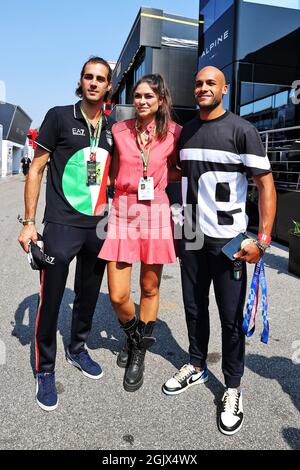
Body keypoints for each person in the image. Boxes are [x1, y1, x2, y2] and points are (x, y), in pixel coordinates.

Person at [162, 66, 276, 435]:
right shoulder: (188, 131)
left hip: (230, 240)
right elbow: (181, 174)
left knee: (230, 318)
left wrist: (262, 240)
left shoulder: (243, 130)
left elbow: (266, 186)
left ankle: (233, 387)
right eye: (198, 83)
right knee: (194, 308)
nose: (202, 88)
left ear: (224, 89)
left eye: (211, 82)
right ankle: (196, 366)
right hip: (193, 233)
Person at [18, 56, 114, 411]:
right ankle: (45, 368)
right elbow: (37, 169)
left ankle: (77, 349)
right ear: (81, 81)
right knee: (52, 298)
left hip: (97, 225)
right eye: (88, 76)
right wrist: (29, 222)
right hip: (60, 223)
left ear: (108, 86)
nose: (93, 82)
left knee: (88, 294)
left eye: (100, 78)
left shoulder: (111, 127)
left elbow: (114, 176)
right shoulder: (59, 116)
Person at [99, 74, 181, 392]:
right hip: (123, 210)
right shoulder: (118, 131)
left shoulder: (175, 133)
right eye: (137, 95)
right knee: (118, 294)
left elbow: (178, 168)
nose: (142, 101)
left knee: (149, 287)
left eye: (149, 96)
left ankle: (138, 353)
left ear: (161, 99)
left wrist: (158, 176)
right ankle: (136, 335)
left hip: (155, 211)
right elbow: (110, 169)